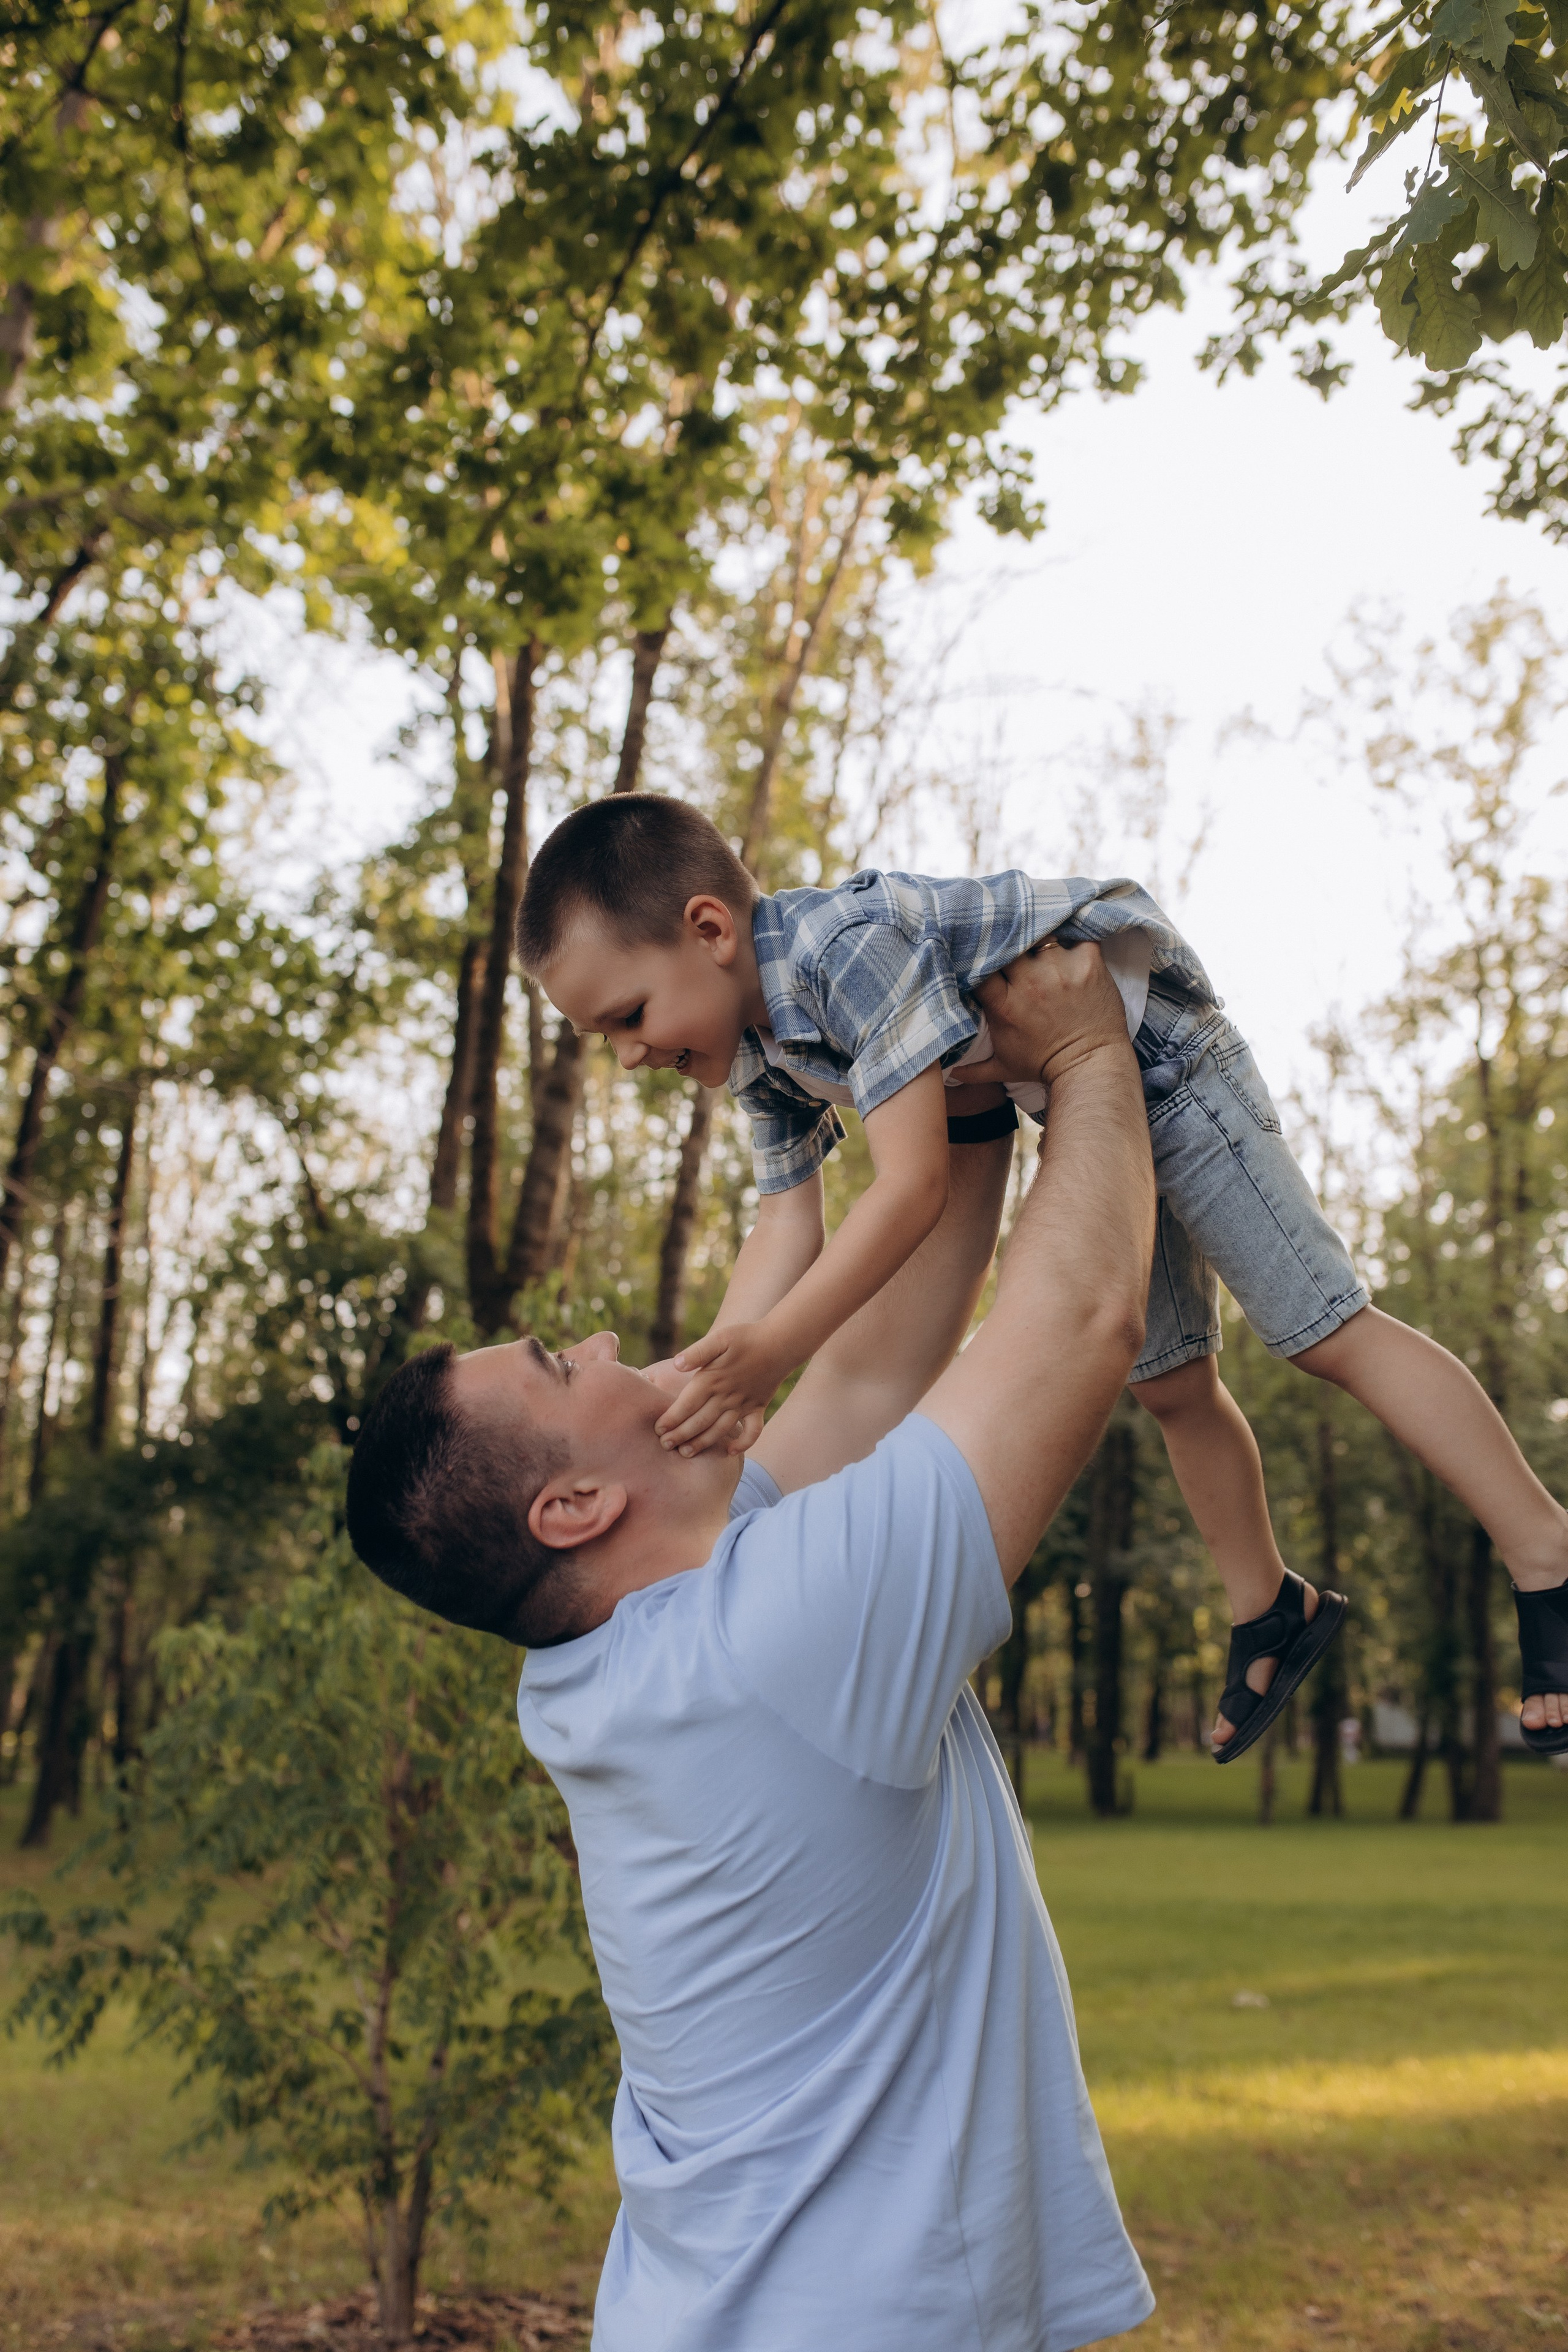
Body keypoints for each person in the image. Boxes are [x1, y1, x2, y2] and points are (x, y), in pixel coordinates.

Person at [347, 941, 1159, 2351]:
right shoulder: (770, 1643)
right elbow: (1078, 1320)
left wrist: (953, 1096)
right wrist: (1086, 1057)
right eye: (557, 1364)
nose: (598, 1337)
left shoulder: (643, 1650)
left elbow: (867, 1366)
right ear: (576, 1504)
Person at [516, 793, 1568, 1760]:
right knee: (1168, 1385)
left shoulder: (845, 952)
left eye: (628, 1016)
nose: (626, 1056)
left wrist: (774, 1354)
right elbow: (785, 1222)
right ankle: (1271, 1608)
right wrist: (707, 1374)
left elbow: (914, 1187)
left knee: (1323, 1331)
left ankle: (1545, 1554)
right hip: (1070, 1098)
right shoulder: (759, 1049)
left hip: (1158, 1052)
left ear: (709, 930)